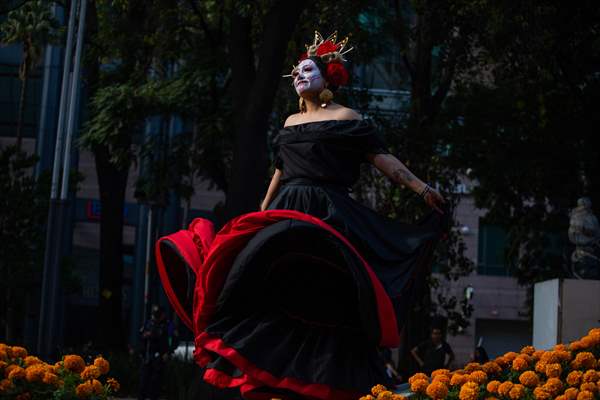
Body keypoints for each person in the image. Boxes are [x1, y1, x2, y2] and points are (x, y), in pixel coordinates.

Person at [155, 31, 447, 400]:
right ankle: (276, 378)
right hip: (285, 213)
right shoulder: (290, 123)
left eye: (308, 69)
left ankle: (332, 380)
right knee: (265, 289)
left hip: (328, 214)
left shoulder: (348, 118)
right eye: (296, 71)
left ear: (328, 78)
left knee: (329, 295)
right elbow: (279, 174)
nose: (299, 74)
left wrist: (422, 189)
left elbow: (382, 159)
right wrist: (257, 219)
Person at [138, 305, 170, 400]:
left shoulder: (167, 325)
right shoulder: (148, 324)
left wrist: (168, 352)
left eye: (158, 315)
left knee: (156, 383)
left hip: (159, 357)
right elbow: (141, 336)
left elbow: (172, 340)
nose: (156, 317)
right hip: (148, 356)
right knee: (143, 381)